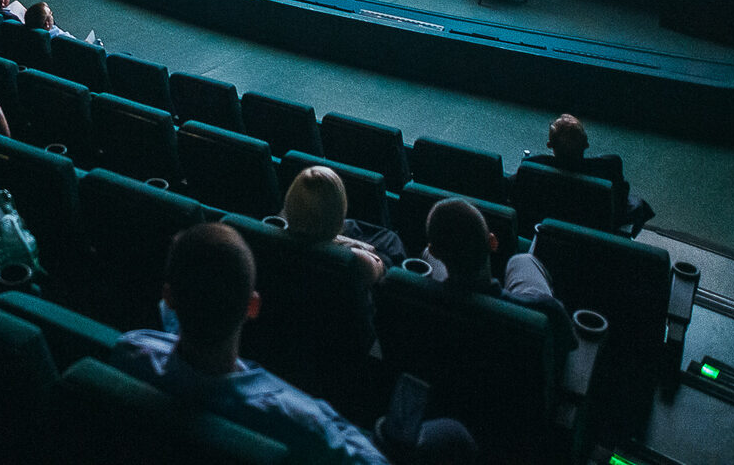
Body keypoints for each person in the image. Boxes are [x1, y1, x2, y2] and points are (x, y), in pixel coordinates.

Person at [110, 223, 474, 464]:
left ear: (168, 298)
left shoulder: (129, 351)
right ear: (253, 306)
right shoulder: (302, 421)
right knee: (454, 434)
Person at [423, 198, 575, 354]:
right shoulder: (547, 310)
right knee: (523, 260)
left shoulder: (417, 297)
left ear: (436, 252)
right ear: (492, 242)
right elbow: (570, 347)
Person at [522, 113, 655, 235]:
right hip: (597, 231)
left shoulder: (532, 164)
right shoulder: (609, 166)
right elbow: (620, 202)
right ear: (586, 144)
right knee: (638, 204)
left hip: (546, 228)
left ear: (549, 145)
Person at [277, 166, 393, 286]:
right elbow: (379, 268)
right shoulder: (355, 260)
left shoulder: (271, 234)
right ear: (339, 211)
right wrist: (347, 244)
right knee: (391, 241)